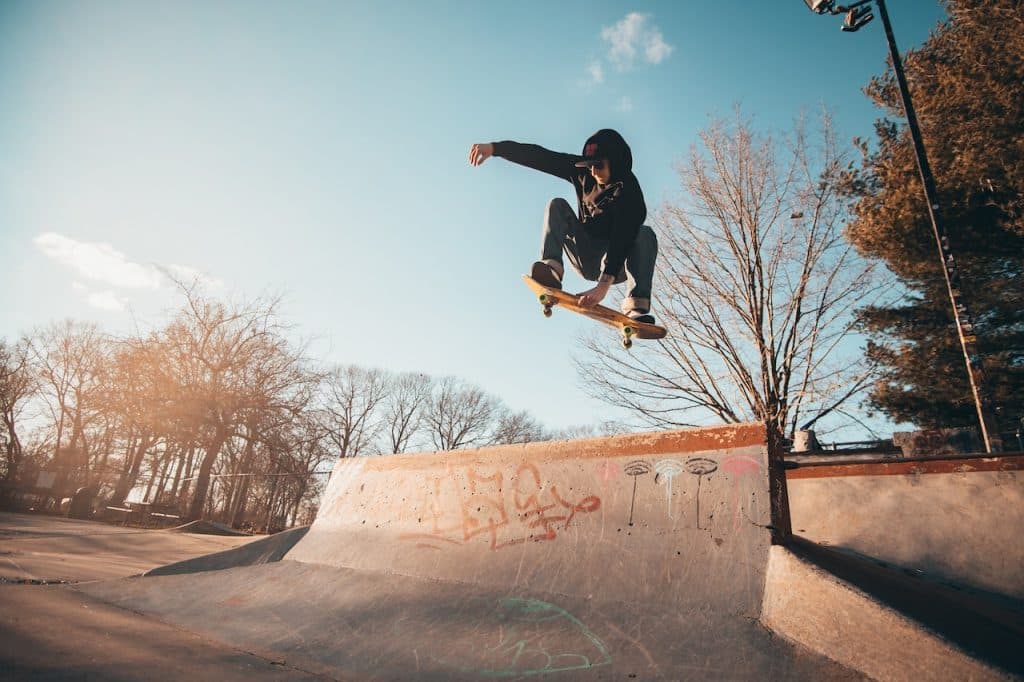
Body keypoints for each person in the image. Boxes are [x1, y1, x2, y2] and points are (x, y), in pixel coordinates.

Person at [468, 129, 658, 324]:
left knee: (644, 234)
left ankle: (636, 306)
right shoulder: (582, 173)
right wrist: (495, 148)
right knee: (557, 205)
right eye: (590, 166)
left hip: (616, 263)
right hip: (584, 254)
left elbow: (623, 237)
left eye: (598, 166)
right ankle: (553, 268)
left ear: (616, 162)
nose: (593, 172)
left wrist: (603, 286)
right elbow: (541, 157)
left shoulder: (630, 192)